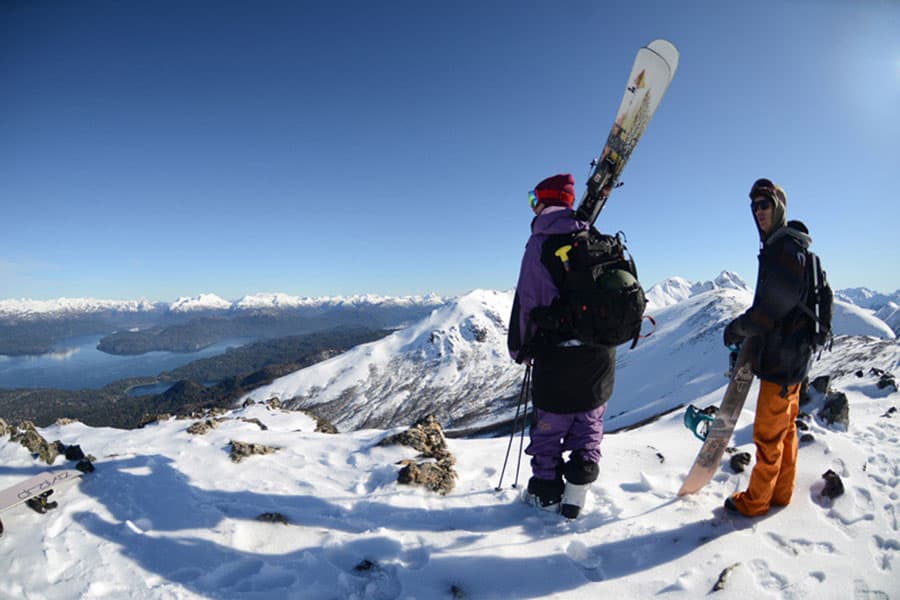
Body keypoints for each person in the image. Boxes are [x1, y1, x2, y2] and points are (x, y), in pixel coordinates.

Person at [507, 173, 616, 518]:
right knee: (588, 428)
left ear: (543, 201)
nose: (531, 206)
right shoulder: (592, 236)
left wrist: (520, 349)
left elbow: (528, 301)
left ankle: (545, 496)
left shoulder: (540, 244)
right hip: (600, 356)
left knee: (548, 431)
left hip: (558, 358)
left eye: (532, 199)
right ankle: (576, 497)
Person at [723, 177, 815, 517]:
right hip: (794, 358)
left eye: (765, 205)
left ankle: (757, 500)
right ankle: (781, 492)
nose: (759, 211)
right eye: (755, 207)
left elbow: (770, 310)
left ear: (779, 207)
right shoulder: (789, 246)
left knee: (766, 434)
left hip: (782, 358)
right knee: (785, 429)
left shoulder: (784, 250)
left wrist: (736, 329)